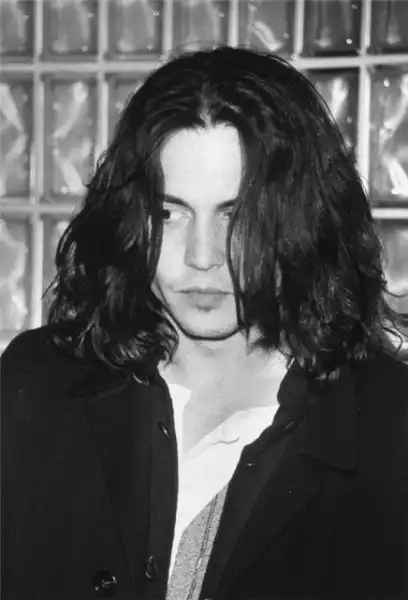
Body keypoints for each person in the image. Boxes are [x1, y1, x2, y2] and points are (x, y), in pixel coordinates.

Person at [1, 45, 408, 600]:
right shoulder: (35, 384)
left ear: (303, 221)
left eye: (237, 217)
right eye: (169, 213)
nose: (201, 256)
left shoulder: (389, 430)